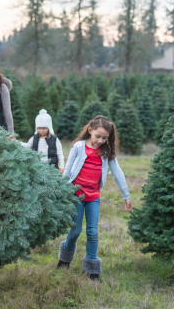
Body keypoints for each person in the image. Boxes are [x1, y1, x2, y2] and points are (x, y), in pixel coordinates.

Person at [56, 115, 132, 281]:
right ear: (90, 130)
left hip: (93, 197)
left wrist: (126, 196)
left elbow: (117, 173)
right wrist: (60, 190)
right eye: (98, 136)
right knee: (75, 230)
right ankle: (65, 258)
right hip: (75, 195)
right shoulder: (78, 147)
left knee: (92, 232)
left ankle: (92, 270)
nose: (100, 140)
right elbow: (68, 170)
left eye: (105, 138)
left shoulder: (106, 151)